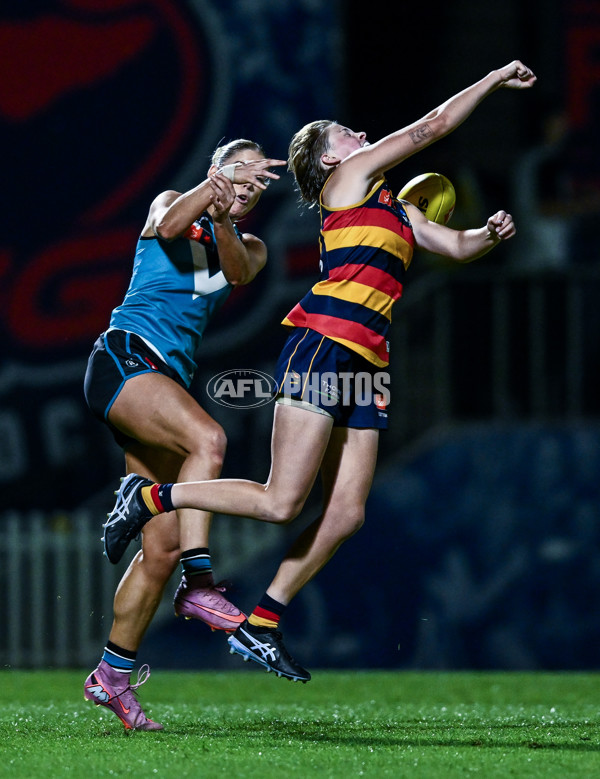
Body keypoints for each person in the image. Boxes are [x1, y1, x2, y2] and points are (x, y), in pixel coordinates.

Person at [102, 60, 537, 690]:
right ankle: (149, 499)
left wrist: (486, 235)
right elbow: (434, 125)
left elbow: (458, 247)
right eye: (344, 135)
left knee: (347, 514)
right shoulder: (351, 182)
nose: (358, 135)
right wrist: (493, 78)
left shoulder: (397, 208)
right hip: (323, 346)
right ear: (330, 164)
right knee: (283, 503)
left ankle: (263, 621)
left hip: (369, 363)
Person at [82, 139, 286, 731]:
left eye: (256, 179)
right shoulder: (174, 200)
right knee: (210, 440)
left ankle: (111, 677)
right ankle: (201, 583)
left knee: (159, 549)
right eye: (238, 171)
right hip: (125, 359)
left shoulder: (249, 242)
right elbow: (171, 223)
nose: (249, 183)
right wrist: (213, 189)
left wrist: (225, 213)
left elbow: (241, 271)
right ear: (216, 170)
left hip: (160, 385)